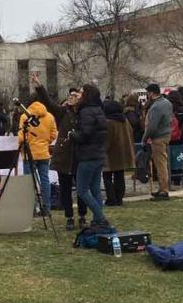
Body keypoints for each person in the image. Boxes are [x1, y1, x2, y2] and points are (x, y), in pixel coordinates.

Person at [32, 74, 87, 231]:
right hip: (64, 155)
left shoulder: (84, 114)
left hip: (79, 156)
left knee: (82, 188)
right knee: (65, 188)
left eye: (75, 95)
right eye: (70, 95)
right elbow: (49, 103)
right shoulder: (63, 112)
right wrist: (39, 85)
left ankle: (82, 216)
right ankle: (69, 217)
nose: (71, 97)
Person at [70, 84, 109, 227]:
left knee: (82, 190)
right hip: (99, 154)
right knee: (95, 189)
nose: (78, 94)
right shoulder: (99, 109)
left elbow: (85, 134)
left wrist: (73, 135)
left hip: (87, 156)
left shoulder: (85, 111)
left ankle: (100, 216)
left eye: (81, 92)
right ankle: (98, 220)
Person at [17, 99, 57, 215]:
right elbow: (53, 134)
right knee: (45, 180)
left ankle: (32, 208)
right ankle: (47, 207)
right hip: (44, 153)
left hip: (29, 154)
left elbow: (21, 137)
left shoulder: (25, 116)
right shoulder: (49, 116)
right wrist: (45, 142)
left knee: (29, 182)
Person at [142, 83, 173, 200]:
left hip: (158, 138)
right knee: (162, 163)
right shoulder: (167, 103)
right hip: (166, 135)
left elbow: (152, 126)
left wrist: (144, 139)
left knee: (160, 165)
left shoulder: (156, 107)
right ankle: (162, 188)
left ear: (151, 93)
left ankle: (164, 191)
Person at [102, 99, 135, 207]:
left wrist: (102, 149)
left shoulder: (108, 122)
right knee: (119, 176)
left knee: (107, 176)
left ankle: (111, 199)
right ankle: (119, 198)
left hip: (111, 154)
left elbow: (107, 140)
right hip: (123, 152)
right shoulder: (124, 120)